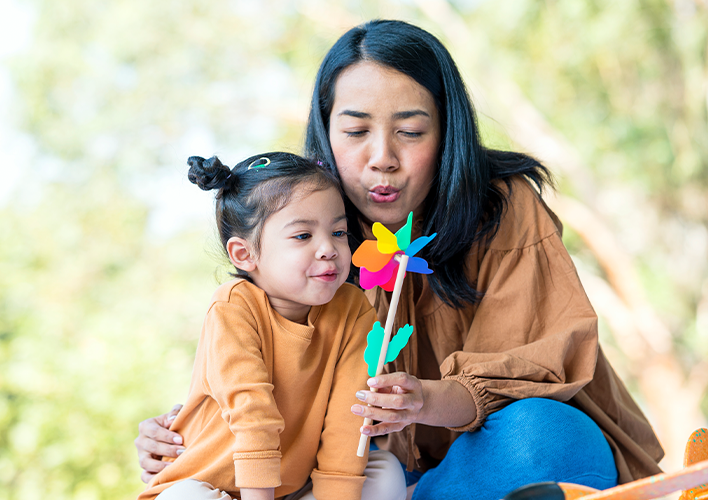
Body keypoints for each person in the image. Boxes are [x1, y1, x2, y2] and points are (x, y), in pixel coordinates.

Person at [135, 20, 663, 500]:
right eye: (356, 131)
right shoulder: (304, 229)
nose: (382, 157)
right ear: (325, 132)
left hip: (473, 470)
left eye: (410, 131)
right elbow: (255, 377)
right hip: (347, 474)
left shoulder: (503, 206)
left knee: (547, 438)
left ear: (446, 132)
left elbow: (540, 366)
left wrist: (426, 401)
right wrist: (188, 435)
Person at [140, 153, 406, 500]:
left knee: (384, 473)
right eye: (302, 236)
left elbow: (348, 420)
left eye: (338, 231)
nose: (329, 249)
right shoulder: (233, 307)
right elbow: (254, 417)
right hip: (213, 484)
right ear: (244, 254)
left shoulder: (353, 308)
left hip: (295, 487)